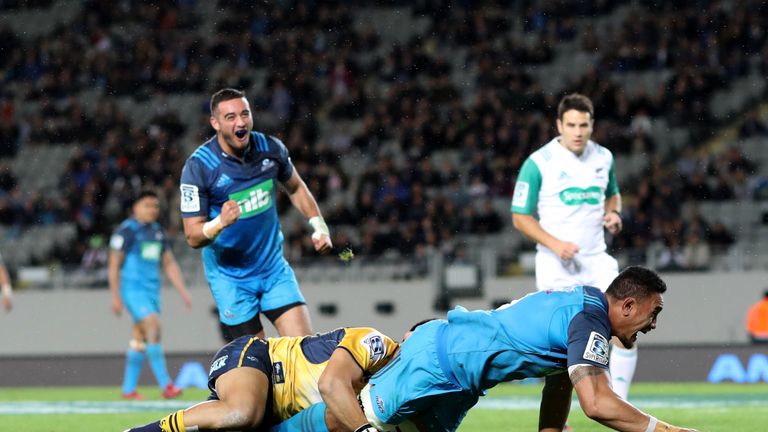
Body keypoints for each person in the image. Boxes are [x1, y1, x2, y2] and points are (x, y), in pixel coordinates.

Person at [276, 266, 698, 432]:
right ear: (627, 304)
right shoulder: (589, 321)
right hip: (442, 361)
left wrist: (549, 431)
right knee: (347, 420)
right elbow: (598, 403)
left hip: (460, 376)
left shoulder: (584, 305)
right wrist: (669, 431)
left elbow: (560, 383)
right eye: (652, 312)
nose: (654, 323)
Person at [179, 88, 332, 342]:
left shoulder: (270, 148)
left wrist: (319, 226)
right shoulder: (199, 167)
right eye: (230, 117)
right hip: (231, 280)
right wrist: (220, 222)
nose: (240, 122)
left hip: (273, 269)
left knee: (305, 354)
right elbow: (192, 237)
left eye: (245, 114)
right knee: (255, 368)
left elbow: (295, 187)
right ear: (215, 123)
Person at [511, 93, 637, 400]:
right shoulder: (538, 163)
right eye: (571, 125)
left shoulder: (603, 157)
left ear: (592, 125)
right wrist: (555, 244)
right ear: (559, 125)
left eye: (583, 125)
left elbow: (613, 193)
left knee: (626, 325)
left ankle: (618, 401)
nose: (578, 132)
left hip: (596, 258)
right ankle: (559, 416)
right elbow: (519, 217)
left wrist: (613, 213)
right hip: (556, 263)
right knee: (559, 345)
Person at [122, 326, 400, 432]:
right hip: (259, 359)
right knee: (241, 413)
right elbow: (330, 385)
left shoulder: (393, 398)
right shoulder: (376, 344)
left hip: (271, 417)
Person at [109, 190, 193, 400]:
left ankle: (128, 389)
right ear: (135, 207)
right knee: (153, 325)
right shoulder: (126, 231)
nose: (152, 210)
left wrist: (183, 291)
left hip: (151, 292)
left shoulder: (157, 232)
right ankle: (167, 385)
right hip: (133, 290)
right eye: (147, 205)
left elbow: (169, 263)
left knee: (139, 337)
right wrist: (116, 296)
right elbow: (113, 265)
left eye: (155, 206)